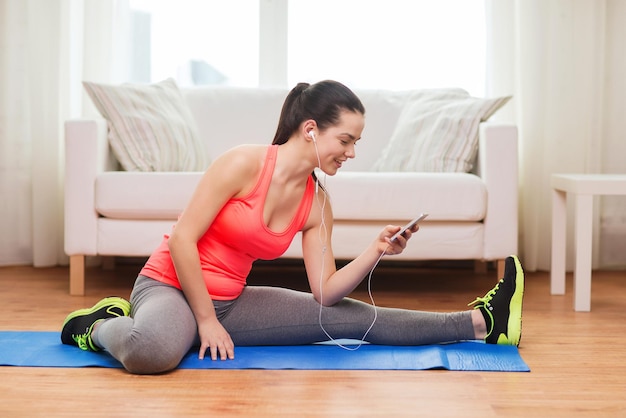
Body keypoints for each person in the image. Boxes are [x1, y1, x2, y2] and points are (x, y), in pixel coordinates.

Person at [61, 80, 525, 375]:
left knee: (353, 320)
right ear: (310, 129)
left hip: (232, 303)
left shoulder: (317, 202)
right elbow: (182, 239)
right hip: (170, 285)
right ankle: (100, 325)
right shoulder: (242, 163)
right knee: (153, 353)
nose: (352, 152)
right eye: (345, 140)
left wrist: (375, 249)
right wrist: (204, 321)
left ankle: (484, 321)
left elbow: (324, 292)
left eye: (356, 142)